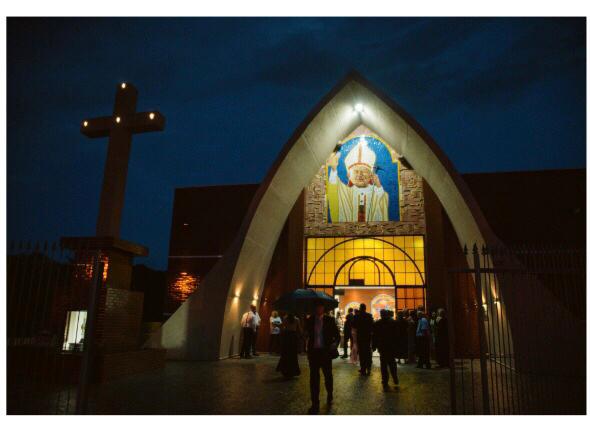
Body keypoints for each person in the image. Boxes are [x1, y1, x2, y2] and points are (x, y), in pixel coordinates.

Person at [325, 138, 389, 223]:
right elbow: (334, 192)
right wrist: (333, 169)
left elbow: (383, 201)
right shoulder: (346, 192)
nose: (360, 175)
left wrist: (378, 186)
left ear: (371, 175)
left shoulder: (377, 192)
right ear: (349, 175)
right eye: (356, 171)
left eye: (364, 171)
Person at [304, 302, 340, 415]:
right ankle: (315, 403)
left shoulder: (330, 320)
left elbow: (337, 336)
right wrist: (304, 334)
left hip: (325, 353)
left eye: (320, 306)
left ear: (323, 308)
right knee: (314, 378)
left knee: (328, 375)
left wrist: (335, 344)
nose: (318, 308)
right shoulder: (309, 320)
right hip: (313, 353)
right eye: (316, 306)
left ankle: (330, 393)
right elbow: (305, 335)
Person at [373, 309, 399, 389]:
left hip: (382, 347)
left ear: (381, 314)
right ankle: (394, 377)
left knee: (383, 365)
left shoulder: (377, 323)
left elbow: (375, 336)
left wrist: (374, 346)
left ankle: (385, 381)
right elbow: (396, 335)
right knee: (392, 363)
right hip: (391, 346)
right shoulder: (393, 323)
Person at [276, 313, 301, 378]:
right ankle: (292, 371)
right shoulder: (297, 319)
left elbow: (282, 327)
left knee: (285, 353)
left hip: (287, 336)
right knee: (293, 354)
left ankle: (285, 370)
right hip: (293, 336)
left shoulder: (285, 318)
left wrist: (282, 329)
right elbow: (299, 329)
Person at [354, 303, 374, 376]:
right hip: (367, 337)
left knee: (362, 353)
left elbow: (354, 325)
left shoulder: (357, 316)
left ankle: (363, 369)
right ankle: (368, 368)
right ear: (365, 308)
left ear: (360, 308)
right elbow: (372, 326)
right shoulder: (369, 316)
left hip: (360, 337)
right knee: (368, 353)